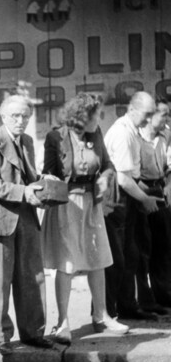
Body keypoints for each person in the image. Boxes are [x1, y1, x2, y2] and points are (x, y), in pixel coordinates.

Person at [41, 93, 129, 344]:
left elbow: (108, 165)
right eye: (96, 114)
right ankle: (62, 323)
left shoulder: (96, 133)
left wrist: (104, 177)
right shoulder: (55, 137)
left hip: (92, 204)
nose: (99, 118)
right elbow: (48, 172)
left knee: (98, 259)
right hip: (66, 205)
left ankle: (102, 316)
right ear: (82, 116)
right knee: (67, 264)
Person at [0, 95, 53, 356]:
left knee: (33, 278)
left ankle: (33, 333)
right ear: (3, 117)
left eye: (25, 116)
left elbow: (28, 176)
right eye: (15, 116)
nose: (21, 121)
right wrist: (25, 192)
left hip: (25, 216)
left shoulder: (27, 141)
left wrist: (43, 186)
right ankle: (1, 337)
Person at [103, 91, 163, 320]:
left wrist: (148, 192)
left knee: (130, 254)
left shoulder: (131, 130)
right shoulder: (123, 134)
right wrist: (145, 199)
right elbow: (123, 179)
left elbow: (131, 176)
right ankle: (105, 312)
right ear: (132, 109)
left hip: (126, 194)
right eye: (146, 115)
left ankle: (127, 306)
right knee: (114, 258)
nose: (149, 120)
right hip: (115, 196)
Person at [135, 100, 171, 312]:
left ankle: (163, 295)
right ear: (150, 115)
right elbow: (128, 171)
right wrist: (144, 194)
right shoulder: (136, 137)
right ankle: (144, 300)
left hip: (160, 188)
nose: (167, 119)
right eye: (164, 114)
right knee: (141, 248)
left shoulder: (166, 135)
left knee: (164, 244)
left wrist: (167, 185)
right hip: (139, 189)